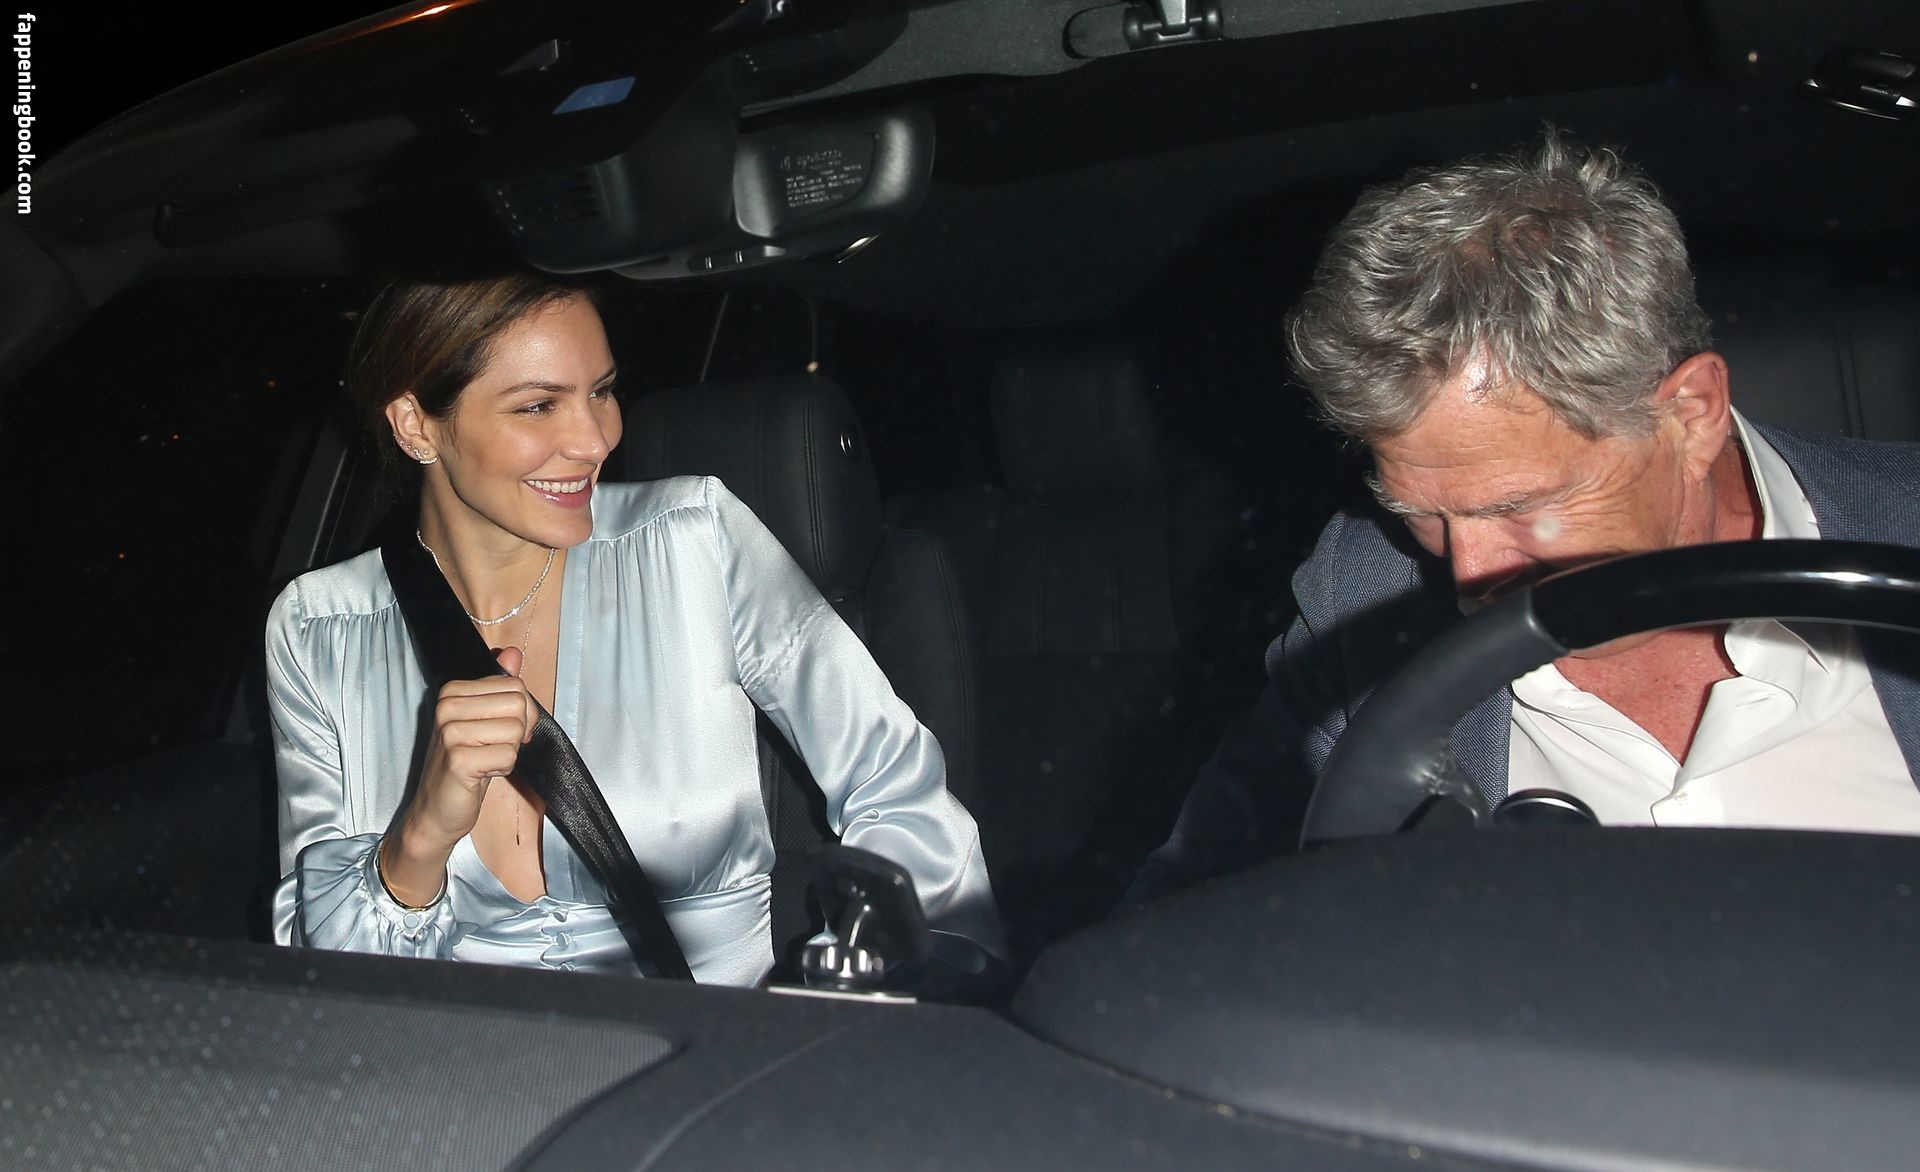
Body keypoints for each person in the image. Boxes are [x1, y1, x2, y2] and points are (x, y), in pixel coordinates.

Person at [1135, 132, 1920, 899]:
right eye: (1419, 513)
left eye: (1523, 506)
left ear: (1692, 412)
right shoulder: (1363, 592)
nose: (1470, 574)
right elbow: (1191, 910)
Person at [267, 273, 1004, 985]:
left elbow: (899, 790)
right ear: (415, 425)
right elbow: (323, 981)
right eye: (538, 406)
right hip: (461, 1060)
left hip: (714, 1049)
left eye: (602, 391)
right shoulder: (318, 630)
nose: (595, 440)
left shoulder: (694, 541)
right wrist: (420, 837)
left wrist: (854, 988)